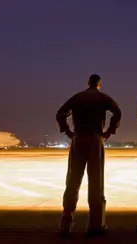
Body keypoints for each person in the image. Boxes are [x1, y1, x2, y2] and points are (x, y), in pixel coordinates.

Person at [56, 74, 122, 238]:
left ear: (88, 83)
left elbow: (60, 114)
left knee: (73, 180)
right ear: (99, 84)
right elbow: (117, 112)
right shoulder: (102, 97)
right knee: (96, 182)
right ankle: (95, 225)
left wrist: (68, 131)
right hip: (95, 139)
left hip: (78, 139)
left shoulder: (77, 97)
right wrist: (109, 131)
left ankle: (66, 223)